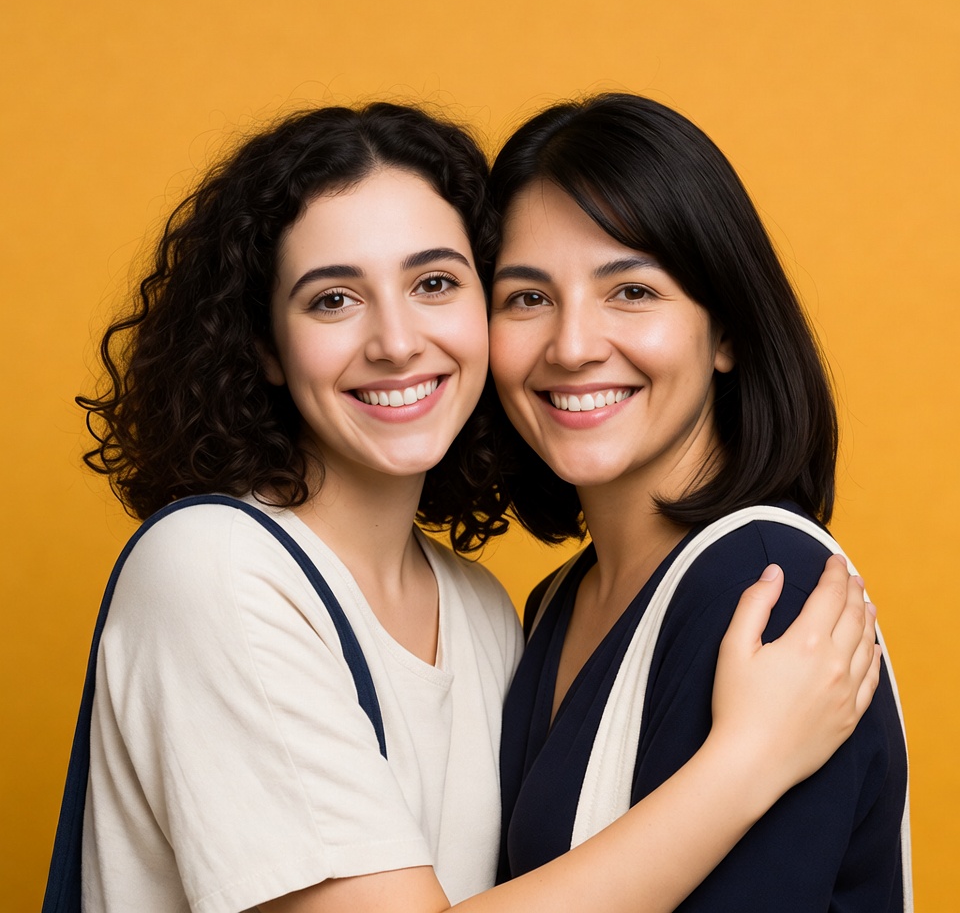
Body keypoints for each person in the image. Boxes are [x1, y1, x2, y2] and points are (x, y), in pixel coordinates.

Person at [56, 102, 880, 913]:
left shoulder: (491, 616)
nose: (397, 341)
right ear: (265, 346)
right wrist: (746, 761)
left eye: (435, 283)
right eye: (333, 299)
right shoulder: (215, 570)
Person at [487, 93, 910, 911]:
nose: (572, 346)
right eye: (527, 298)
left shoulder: (764, 588)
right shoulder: (556, 606)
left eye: (633, 292)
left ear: (727, 333)